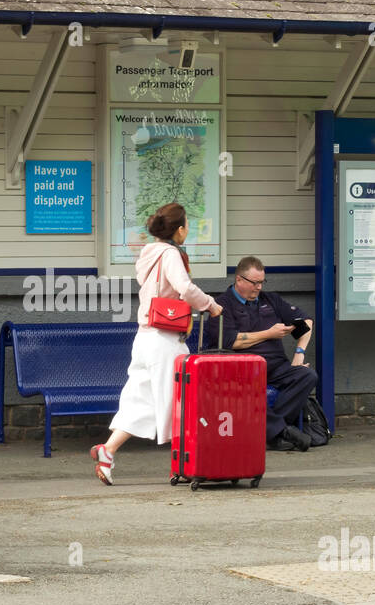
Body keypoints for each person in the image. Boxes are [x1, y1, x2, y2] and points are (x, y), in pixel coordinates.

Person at [90, 203, 223, 485]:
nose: (188, 231)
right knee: (179, 402)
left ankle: (107, 451)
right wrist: (211, 305)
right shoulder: (171, 254)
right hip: (166, 339)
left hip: (144, 336)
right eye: (186, 225)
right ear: (179, 230)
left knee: (140, 401)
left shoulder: (148, 254)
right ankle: (188, 465)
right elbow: (185, 288)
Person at [205, 255, 318, 451]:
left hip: (277, 366)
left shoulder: (270, 299)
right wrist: (269, 333)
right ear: (239, 279)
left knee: (307, 375)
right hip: (243, 369)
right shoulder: (222, 305)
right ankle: (280, 432)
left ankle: (271, 433)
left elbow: (306, 322)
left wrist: (299, 354)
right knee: (236, 392)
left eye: (261, 282)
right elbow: (231, 341)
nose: (258, 287)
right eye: (254, 283)